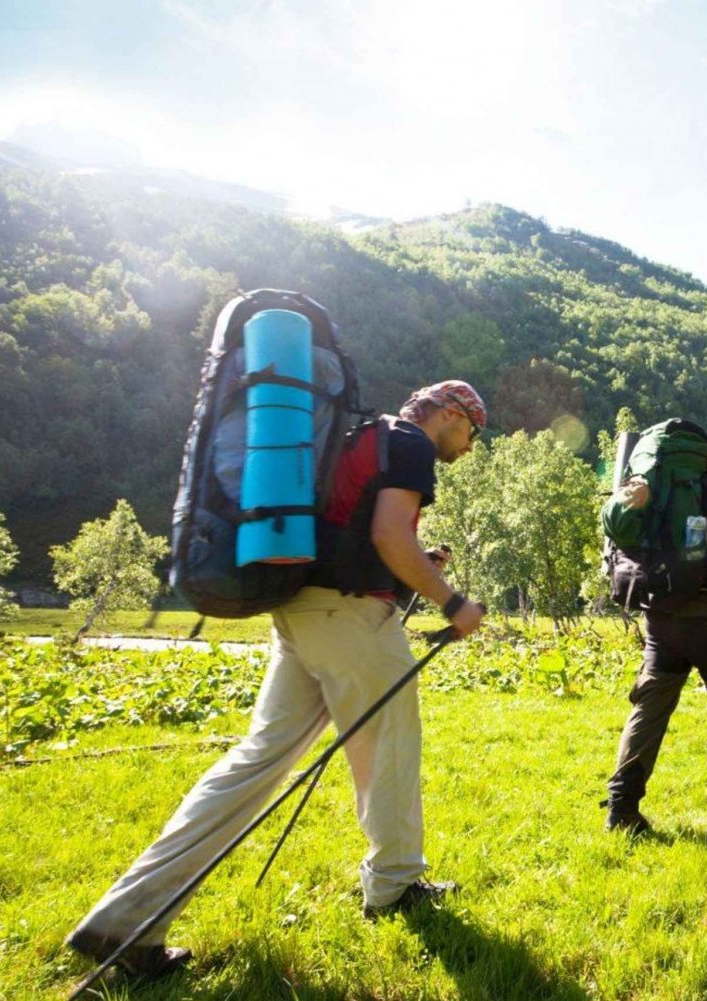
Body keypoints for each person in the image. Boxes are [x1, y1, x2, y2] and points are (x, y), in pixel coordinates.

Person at [66, 381, 489, 979]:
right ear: (450, 414)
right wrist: (452, 601)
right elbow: (390, 536)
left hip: (299, 612)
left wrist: (413, 564)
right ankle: (394, 888)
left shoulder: (359, 435)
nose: (471, 444)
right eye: (473, 429)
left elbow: (356, 527)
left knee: (255, 761)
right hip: (351, 619)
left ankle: (124, 920)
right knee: (390, 754)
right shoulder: (411, 445)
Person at [605, 434, 707, 834]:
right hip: (705, 618)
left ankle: (621, 808)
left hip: (659, 615)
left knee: (649, 709)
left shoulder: (681, 489)